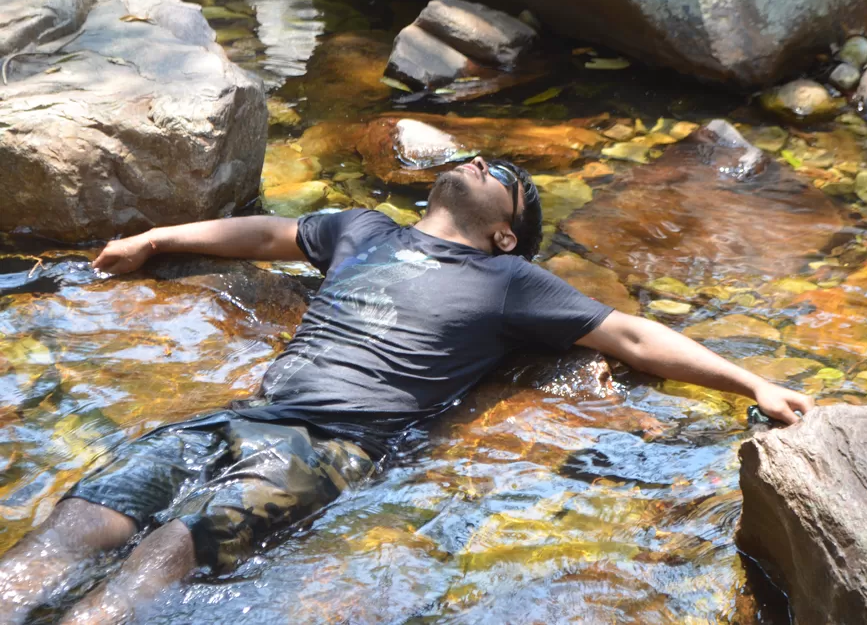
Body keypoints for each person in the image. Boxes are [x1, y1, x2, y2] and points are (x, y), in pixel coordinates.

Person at [0, 157, 812, 624]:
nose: (484, 161)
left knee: (167, 549)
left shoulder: (510, 279)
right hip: (237, 417)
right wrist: (154, 237)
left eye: (507, 177)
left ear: (506, 230)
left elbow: (632, 335)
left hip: (328, 447)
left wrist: (755, 379)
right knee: (76, 523)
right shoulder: (363, 229)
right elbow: (266, 235)